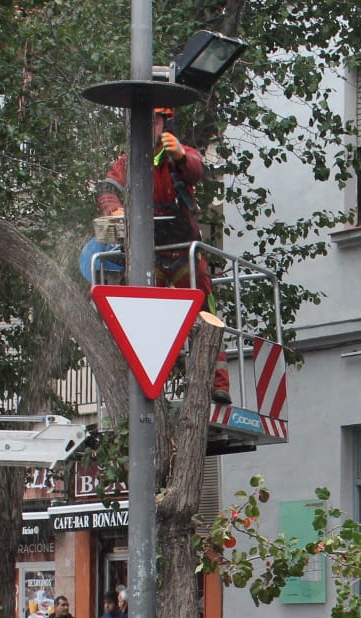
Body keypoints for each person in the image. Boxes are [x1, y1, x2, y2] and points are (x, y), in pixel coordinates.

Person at [86, 106, 229, 403]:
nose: (151, 126)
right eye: (146, 121)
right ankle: (147, 381)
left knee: (205, 314)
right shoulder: (127, 162)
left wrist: (178, 153)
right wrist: (114, 211)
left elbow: (195, 169)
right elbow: (107, 189)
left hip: (184, 251)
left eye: (157, 121)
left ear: (166, 124)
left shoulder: (176, 154)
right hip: (150, 254)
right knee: (145, 317)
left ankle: (218, 384)